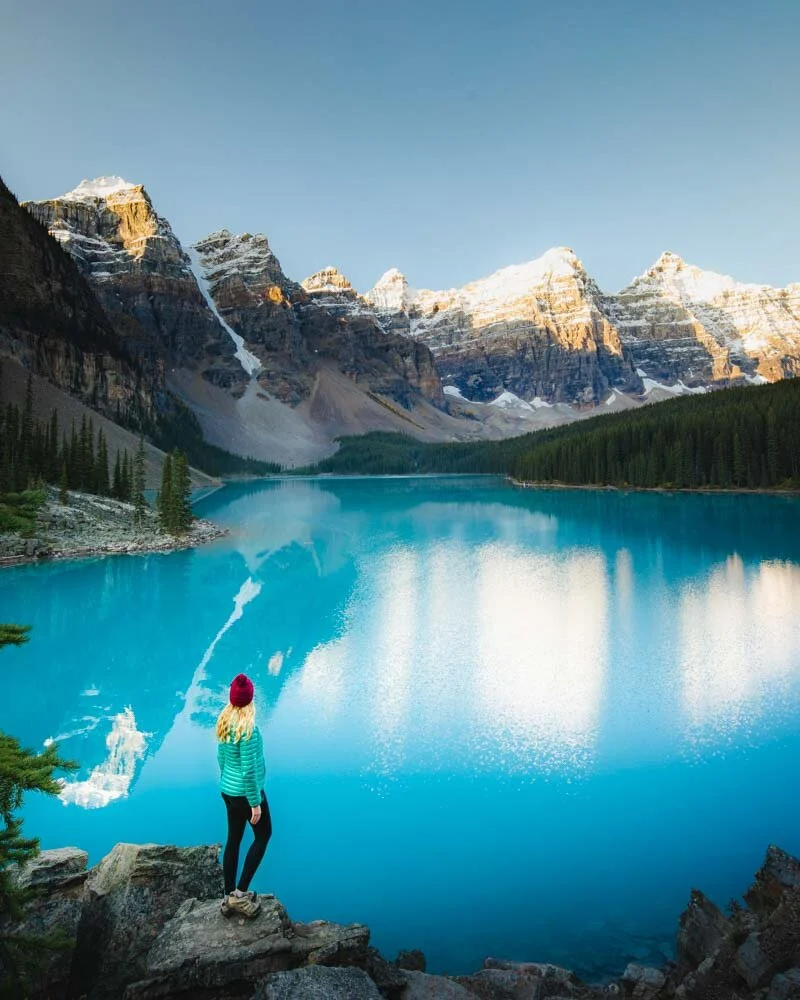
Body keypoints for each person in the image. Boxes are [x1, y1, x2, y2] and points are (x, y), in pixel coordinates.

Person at [216, 672, 272, 918]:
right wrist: (255, 803)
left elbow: (221, 758)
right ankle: (240, 895)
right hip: (245, 795)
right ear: (250, 700)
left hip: (228, 792)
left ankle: (228, 896)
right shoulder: (248, 729)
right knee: (263, 836)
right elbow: (249, 771)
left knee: (234, 840)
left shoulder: (226, 722)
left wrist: (229, 784)